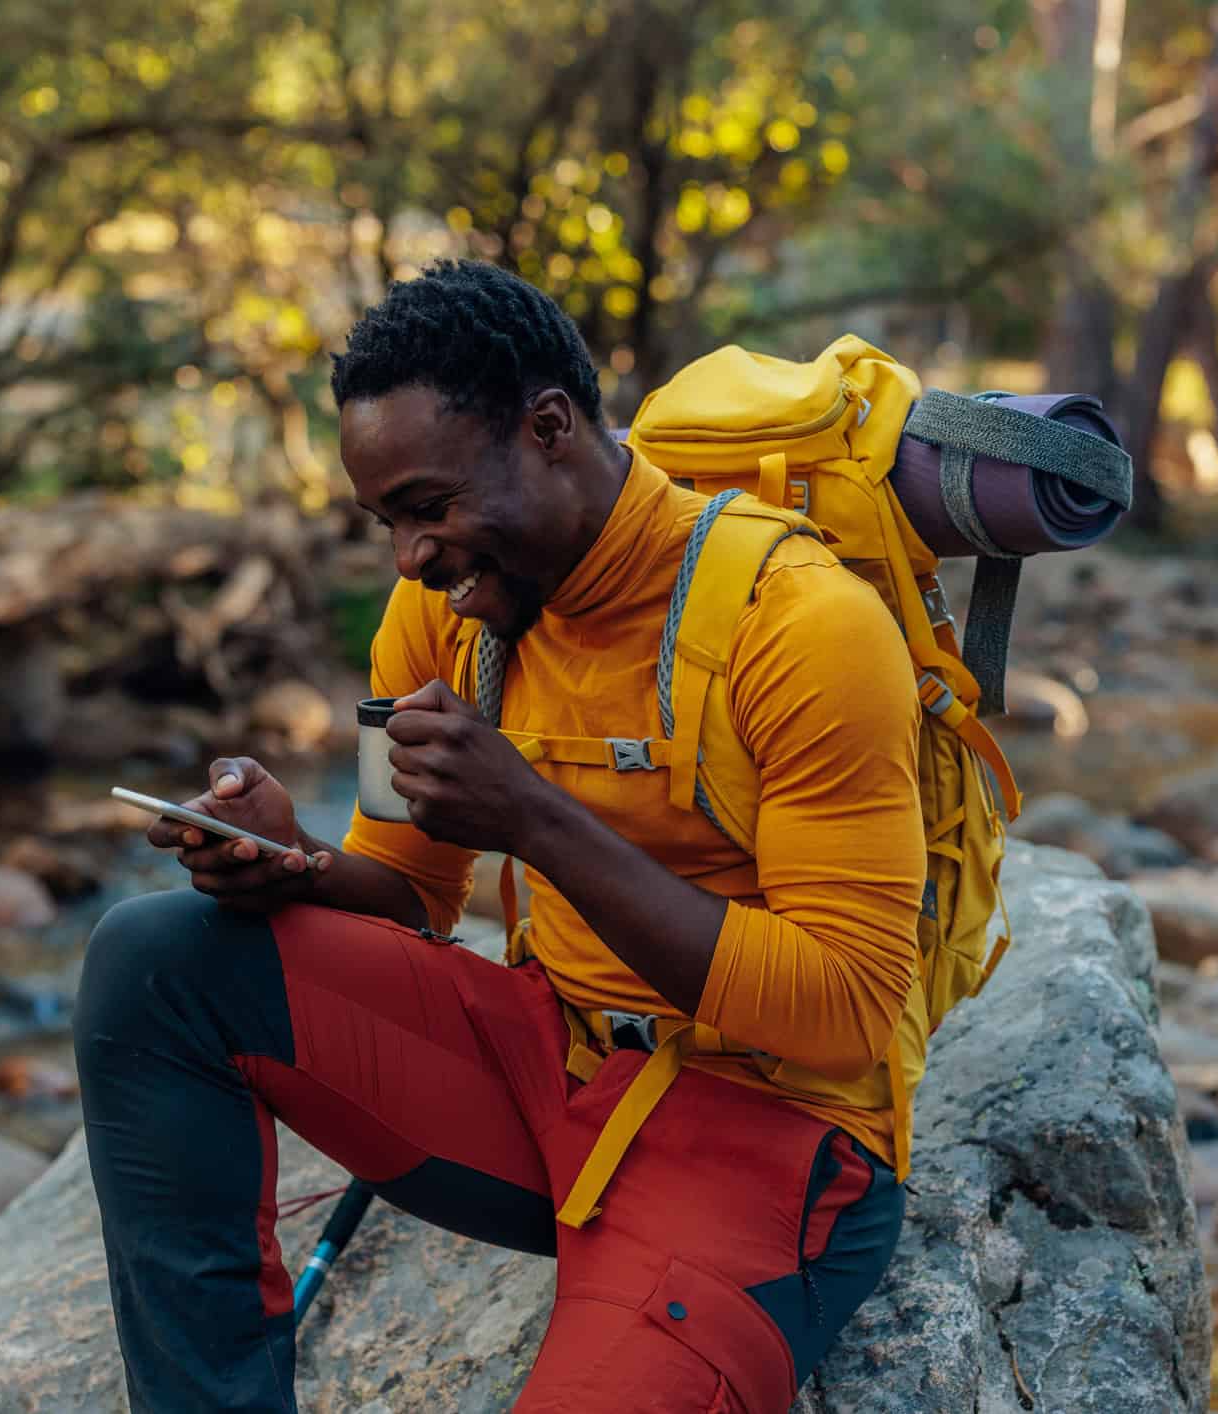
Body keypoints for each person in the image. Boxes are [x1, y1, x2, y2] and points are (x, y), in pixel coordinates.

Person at [73, 260, 927, 1412]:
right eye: (386, 522)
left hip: (765, 1137)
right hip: (546, 1067)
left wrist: (532, 817)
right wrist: (293, 863)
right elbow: (409, 889)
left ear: (549, 428)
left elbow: (845, 1011)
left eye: (428, 507)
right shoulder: (443, 612)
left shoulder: (805, 625)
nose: (409, 557)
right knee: (155, 959)